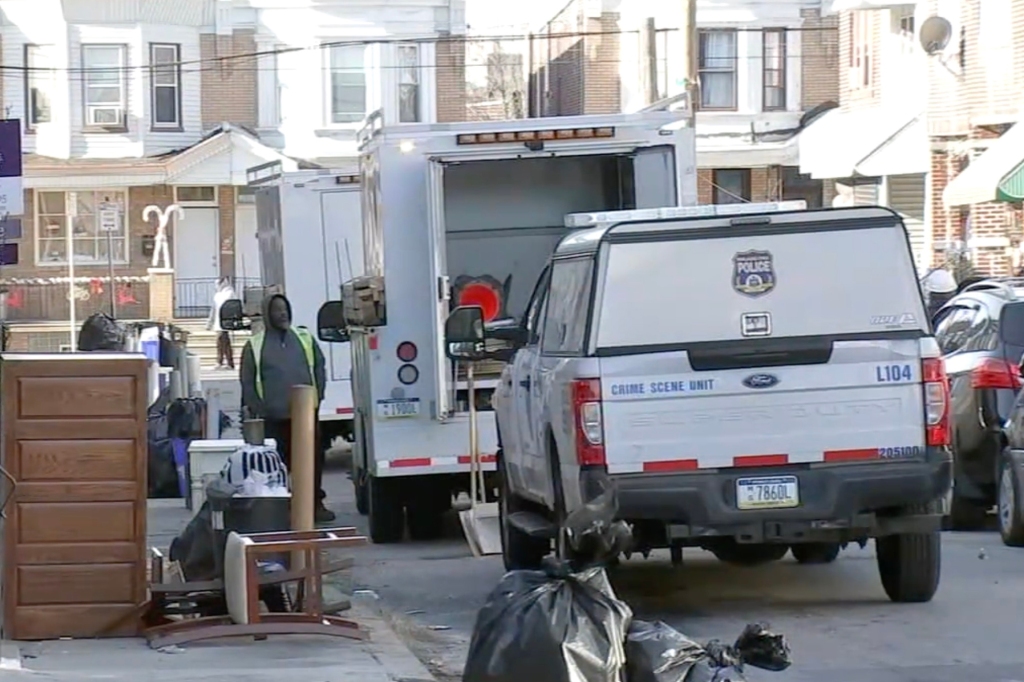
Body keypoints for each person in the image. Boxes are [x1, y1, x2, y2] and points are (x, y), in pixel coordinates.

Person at [240, 294, 336, 523]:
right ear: (267, 315)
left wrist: (317, 397)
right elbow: (248, 381)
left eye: (285, 309)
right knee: (276, 467)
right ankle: (281, 509)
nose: (282, 314)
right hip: (273, 419)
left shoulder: (304, 338)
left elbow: (320, 367)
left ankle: (314, 505)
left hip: (304, 416)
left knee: (312, 463)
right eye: (277, 310)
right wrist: (259, 409)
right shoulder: (255, 345)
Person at [207, 277, 237, 370]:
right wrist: (209, 323)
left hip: (226, 322)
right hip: (218, 322)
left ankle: (223, 362)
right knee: (222, 342)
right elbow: (214, 309)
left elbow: (234, 306)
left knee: (222, 342)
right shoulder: (217, 295)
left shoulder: (230, 293)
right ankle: (226, 362)